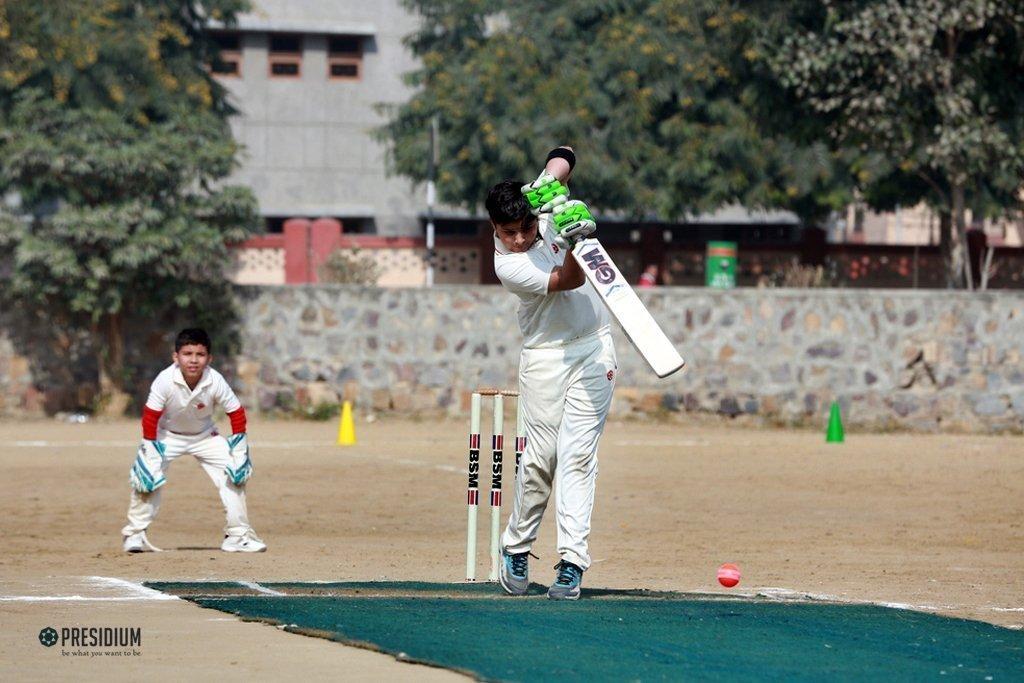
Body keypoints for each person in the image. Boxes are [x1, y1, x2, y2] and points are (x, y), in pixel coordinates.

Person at [487, 146, 616, 600]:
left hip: (593, 347)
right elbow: (570, 281)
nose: (521, 238)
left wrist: (553, 184)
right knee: (541, 460)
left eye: (526, 229)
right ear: (494, 229)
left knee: (578, 457)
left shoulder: (538, 205)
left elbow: (565, 154)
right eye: (509, 232)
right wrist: (578, 239)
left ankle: (572, 562)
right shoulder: (508, 265)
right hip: (544, 356)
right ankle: (516, 547)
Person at [121, 327, 266, 553]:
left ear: (209, 358)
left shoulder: (214, 379)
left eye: (200, 355)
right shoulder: (164, 380)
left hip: (205, 436)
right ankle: (135, 534)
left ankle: (237, 535)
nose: (193, 360)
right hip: (167, 436)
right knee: (146, 477)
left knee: (234, 473)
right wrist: (150, 449)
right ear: (175, 356)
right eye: (187, 354)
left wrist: (239, 450)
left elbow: (236, 412)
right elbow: (150, 416)